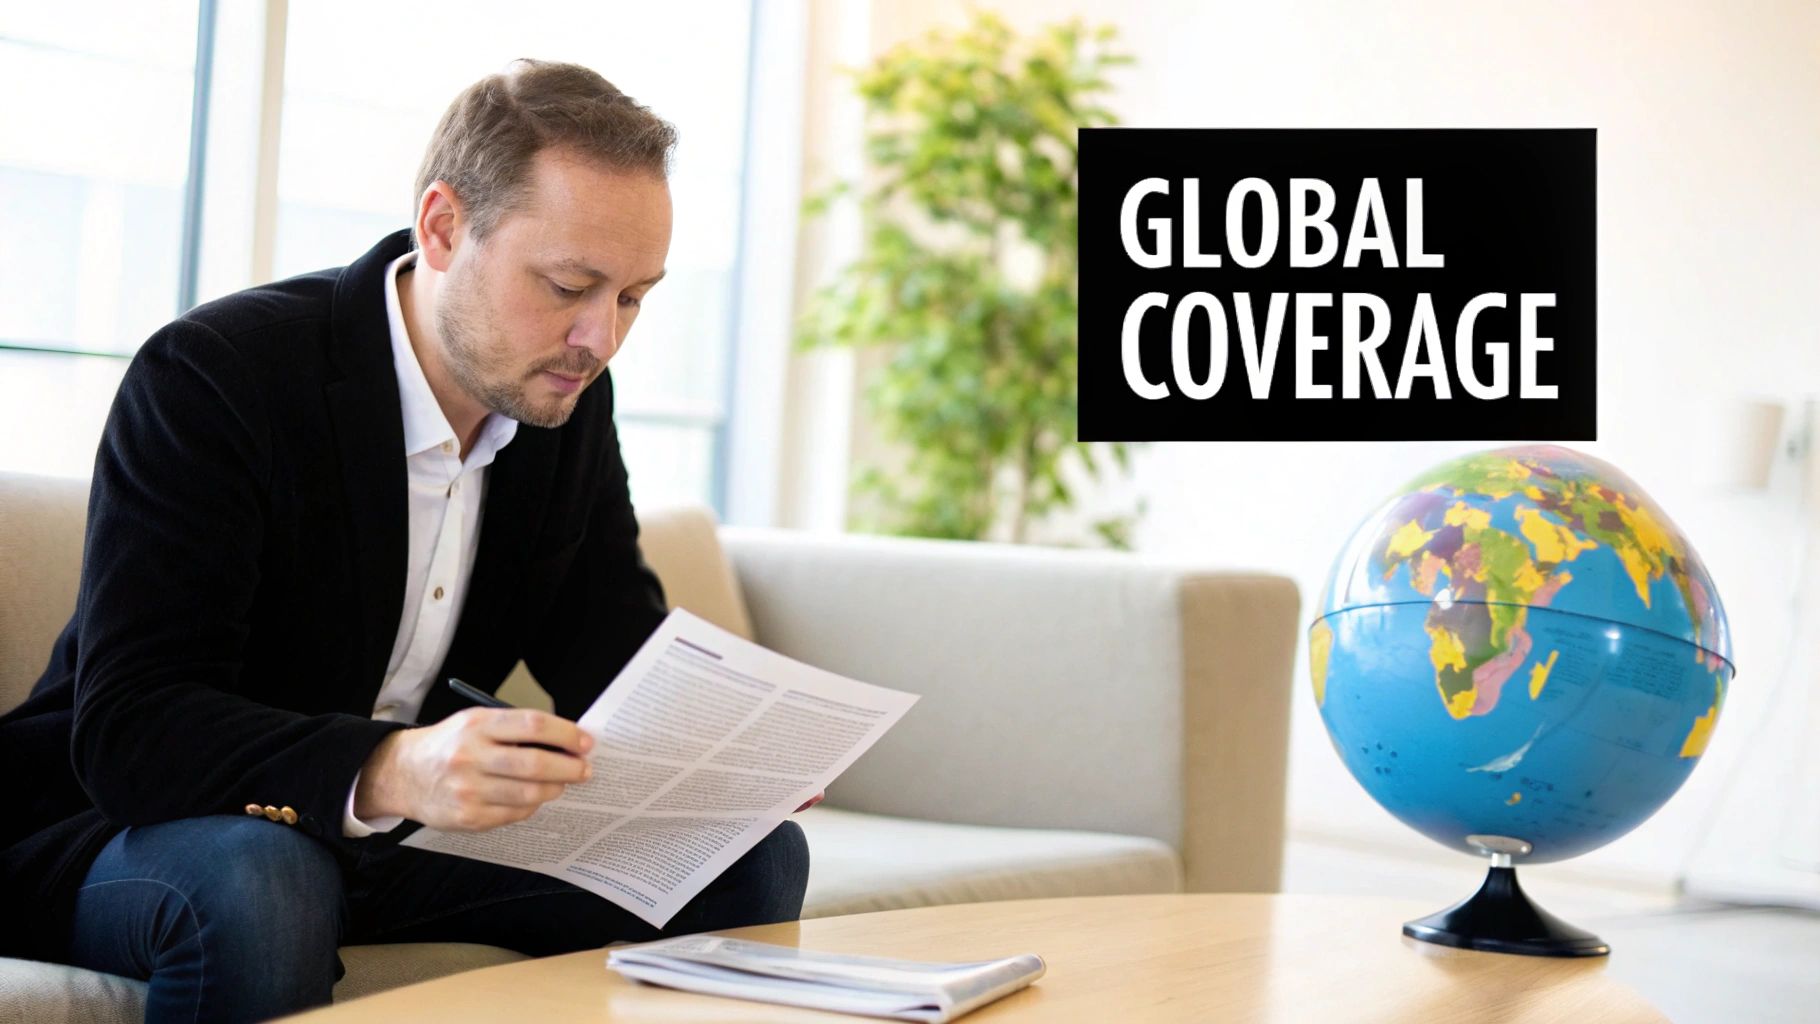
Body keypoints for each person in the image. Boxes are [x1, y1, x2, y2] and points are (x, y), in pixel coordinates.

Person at [0, 59, 812, 1023]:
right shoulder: (219, 374)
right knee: (263, 880)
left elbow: (605, 644)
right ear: (442, 227)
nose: (600, 338)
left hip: (386, 843)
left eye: (634, 297)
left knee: (747, 858)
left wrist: (741, 745)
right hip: (129, 828)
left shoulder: (563, 401)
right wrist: (394, 767)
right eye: (567, 285)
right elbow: (135, 727)